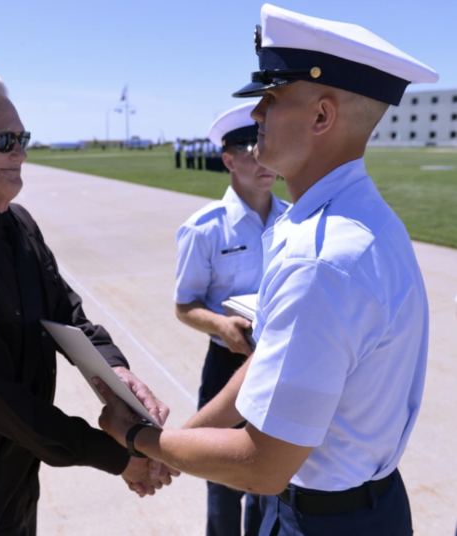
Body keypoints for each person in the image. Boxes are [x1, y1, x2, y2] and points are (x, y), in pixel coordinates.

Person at [96, 5, 437, 535]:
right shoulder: (357, 221)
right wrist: (185, 441)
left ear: (322, 117)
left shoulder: (320, 259)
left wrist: (138, 440)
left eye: (272, 97)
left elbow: (262, 466)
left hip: (323, 520)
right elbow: (268, 370)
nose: (256, 114)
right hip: (365, 509)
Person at [0, 70, 177, 536]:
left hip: (21, 458)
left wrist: (117, 377)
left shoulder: (16, 223)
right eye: (4, 140)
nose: (20, 153)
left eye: (22, 137)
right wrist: (121, 455)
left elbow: (66, 316)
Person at [175, 101, 289, 536]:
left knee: (270, 481)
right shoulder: (204, 228)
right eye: (249, 146)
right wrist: (221, 325)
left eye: (266, 144)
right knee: (223, 484)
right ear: (228, 159)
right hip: (226, 367)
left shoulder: (293, 220)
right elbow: (185, 305)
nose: (263, 157)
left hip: (277, 366)